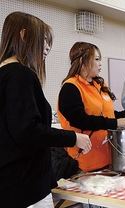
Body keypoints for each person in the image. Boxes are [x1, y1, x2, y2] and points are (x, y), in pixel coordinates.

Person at [0, 12, 91, 208]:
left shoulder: (4, 74)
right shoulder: (20, 74)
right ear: (24, 35)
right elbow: (27, 130)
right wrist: (73, 137)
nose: (47, 47)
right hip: (26, 187)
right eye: (43, 40)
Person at [57, 42, 125, 174]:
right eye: (96, 59)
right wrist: (114, 124)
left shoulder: (100, 85)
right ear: (83, 61)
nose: (100, 63)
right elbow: (79, 120)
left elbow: (110, 115)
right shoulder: (71, 87)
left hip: (107, 159)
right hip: (83, 163)